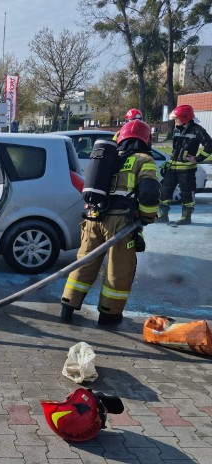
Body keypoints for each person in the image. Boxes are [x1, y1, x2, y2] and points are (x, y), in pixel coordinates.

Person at [60, 120, 160, 326]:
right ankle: (109, 315)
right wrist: (147, 216)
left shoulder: (108, 156)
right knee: (118, 270)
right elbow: (150, 193)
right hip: (120, 223)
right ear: (146, 139)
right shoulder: (144, 159)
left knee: (83, 264)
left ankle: (67, 307)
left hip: (92, 218)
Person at [156, 104, 212, 225]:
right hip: (172, 168)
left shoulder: (198, 130)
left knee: (187, 194)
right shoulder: (177, 129)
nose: (176, 120)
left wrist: (198, 158)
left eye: (178, 118)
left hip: (187, 170)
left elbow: (210, 145)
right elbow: (175, 150)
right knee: (164, 192)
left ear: (185, 118)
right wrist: (168, 164)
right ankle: (163, 215)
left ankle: (186, 218)